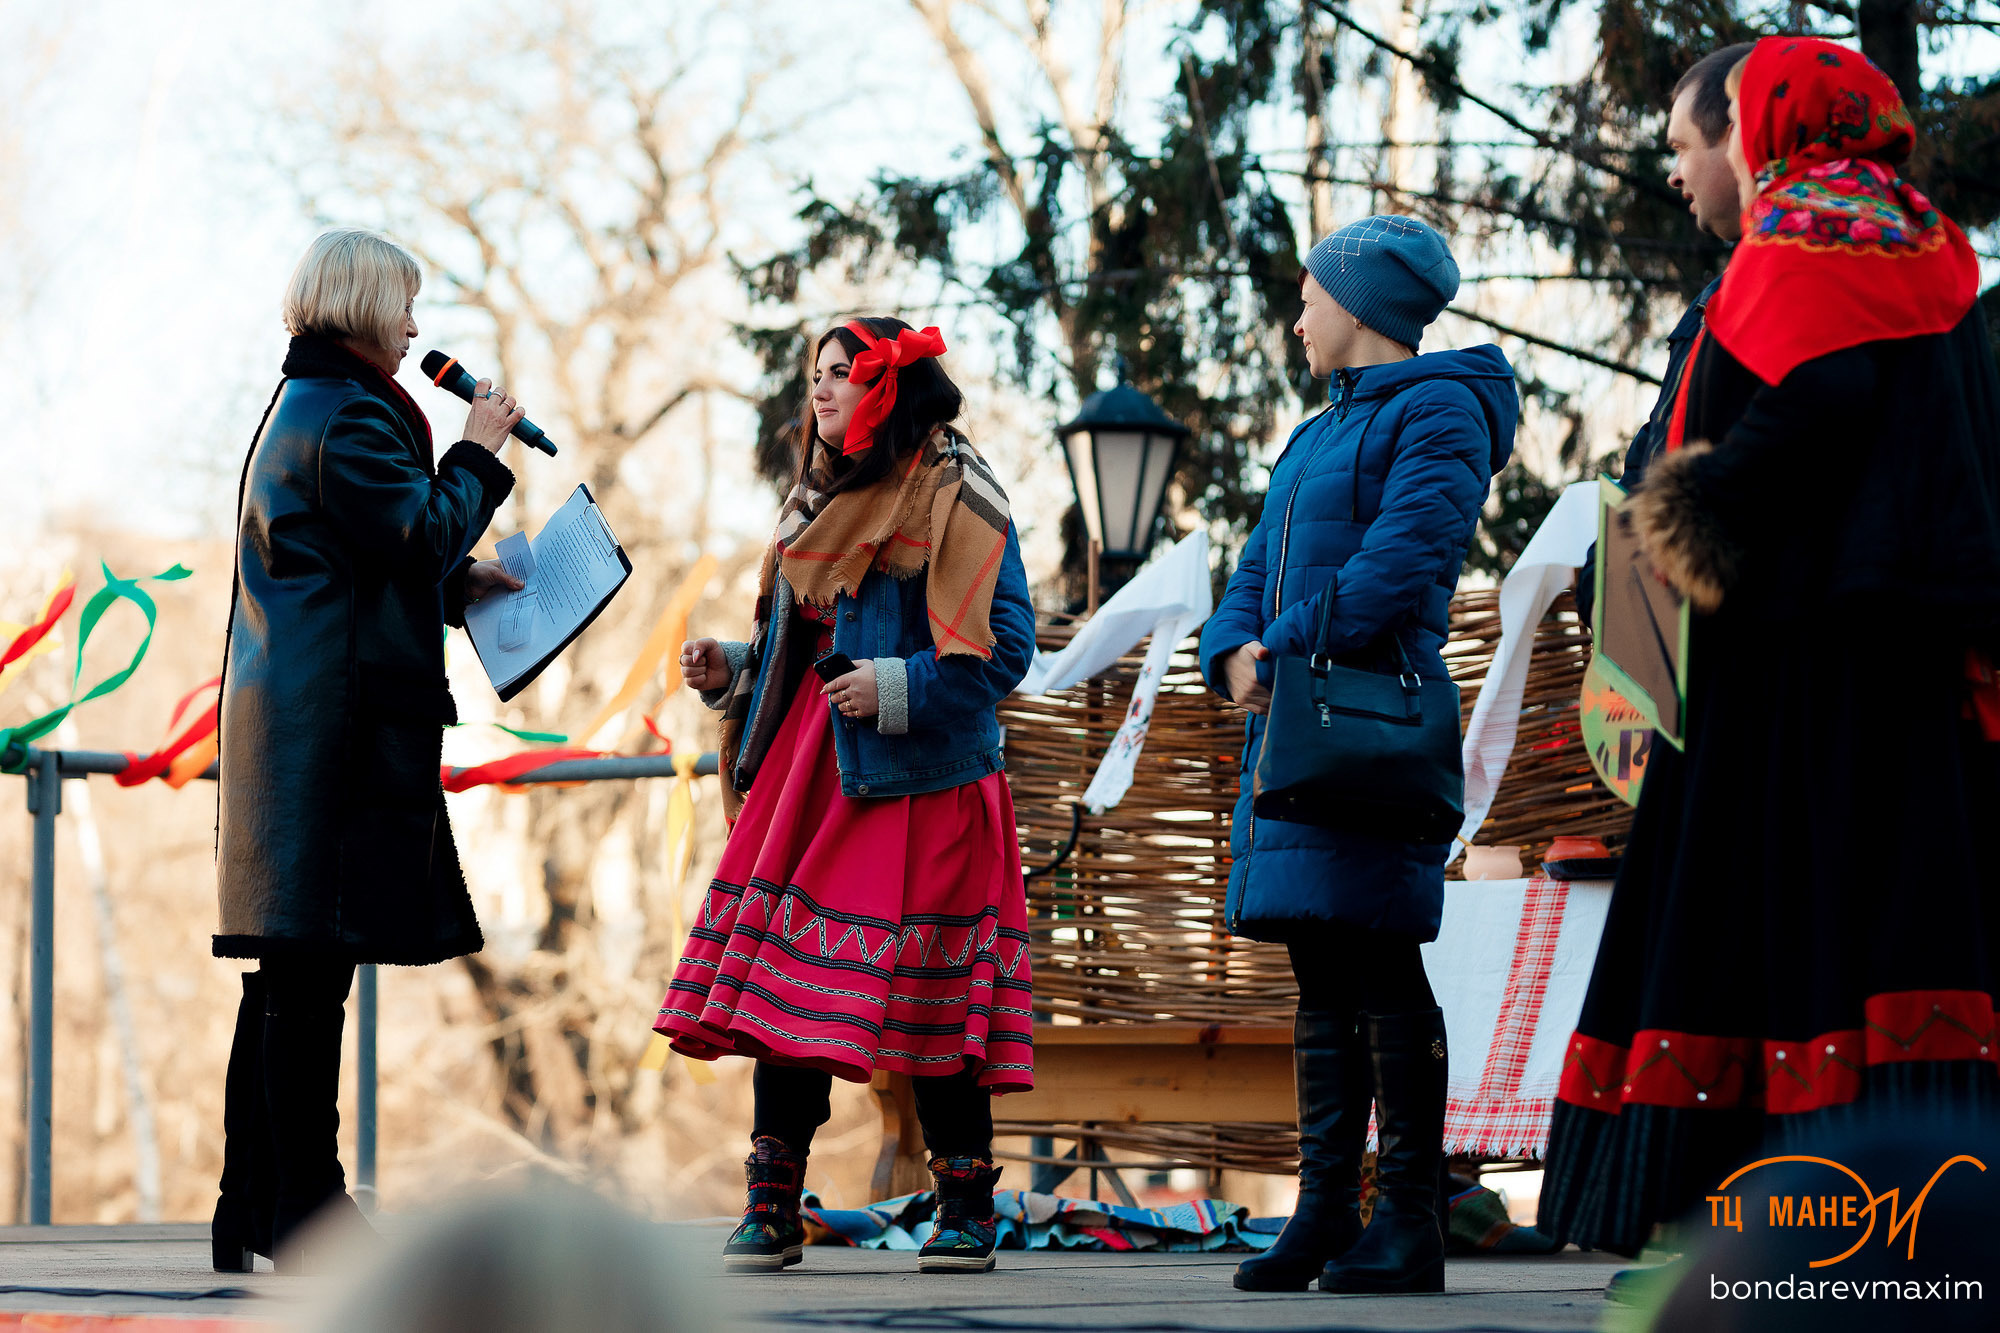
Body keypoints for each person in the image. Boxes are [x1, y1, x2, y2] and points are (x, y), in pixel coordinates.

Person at [1538, 37, 2000, 1258]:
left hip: (1787, 673)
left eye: (1719, 129)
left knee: (1763, 939)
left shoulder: (1788, 253)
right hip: (1918, 674)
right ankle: (1910, 1221)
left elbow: (1784, 421)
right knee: (1887, 941)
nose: (1707, 162)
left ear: (1768, 128)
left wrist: (1676, 521)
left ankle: (1768, 1224)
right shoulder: (1934, 253)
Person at [656, 317, 1036, 1276]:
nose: (819, 393)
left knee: (937, 996)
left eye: (840, 375)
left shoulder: (961, 489)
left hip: (929, 782)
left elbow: (1007, 649)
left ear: (888, 387)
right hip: (811, 776)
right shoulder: (810, 503)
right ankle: (773, 1204)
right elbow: (804, 652)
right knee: (789, 989)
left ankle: (964, 1209)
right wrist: (730, 668)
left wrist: (897, 687)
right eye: (814, 376)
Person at [1200, 215, 1519, 1295]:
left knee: (1378, 953)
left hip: (1369, 724)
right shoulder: (1308, 435)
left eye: (1306, 295)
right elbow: (1252, 567)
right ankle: (1325, 1210)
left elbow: (1403, 562)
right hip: (1300, 721)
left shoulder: (1438, 410)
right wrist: (1223, 649)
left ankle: (1412, 1219)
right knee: (1318, 959)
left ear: (1359, 305)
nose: (1295, 317)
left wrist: (1274, 654)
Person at [212, 228, 526, 1273]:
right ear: (357, 306)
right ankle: (302, 1208)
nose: (414, 327)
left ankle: (255, 1201)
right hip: (331, 728)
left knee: (290, 971)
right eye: (403, 304)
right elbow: (412, 532)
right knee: (308, 974)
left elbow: (364, 561)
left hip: (306, 719)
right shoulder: (346, 415)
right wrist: (479, 449)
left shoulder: (310, 406)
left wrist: (455, 585)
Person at [1574, 42, 1753, 627]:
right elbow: (1657, 450)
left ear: (1736, 138)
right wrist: (1609, 573)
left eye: (1679, 147)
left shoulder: (1786, 294)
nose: (1673, 174)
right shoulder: (1717, 300)